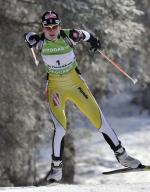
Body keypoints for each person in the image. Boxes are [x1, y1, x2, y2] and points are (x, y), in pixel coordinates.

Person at [24, 10, 142, 185]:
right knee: (60, 128)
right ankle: (56, 168)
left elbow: (84, 34)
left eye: (55, 26)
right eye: (47, 27)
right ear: (43, 28)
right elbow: (28, 35)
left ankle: (122, 156)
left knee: (100, 121)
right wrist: (29, 38)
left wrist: (94, 41)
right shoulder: (40, 40)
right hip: (56, 88)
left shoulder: (68, 35)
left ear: (59, 26)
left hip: (75, 84)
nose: (51, 30)